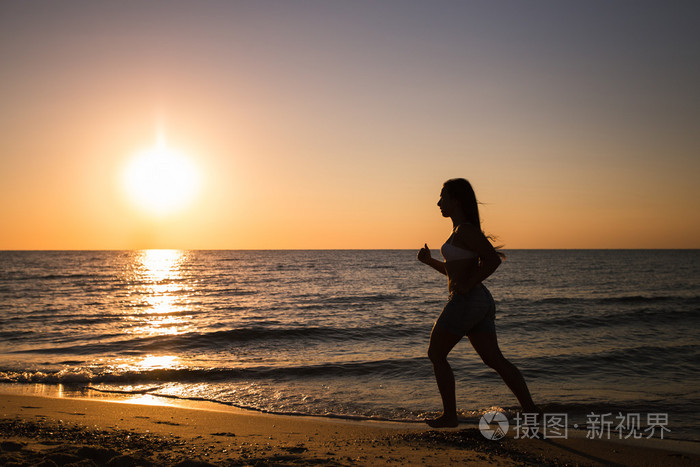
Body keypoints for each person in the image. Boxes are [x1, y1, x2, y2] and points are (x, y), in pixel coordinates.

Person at [417, 178, 539, 428]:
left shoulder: (466, 231)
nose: (438, 202)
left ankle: (450, 416)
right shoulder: (458, 231)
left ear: (457, 200)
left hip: (467, 301)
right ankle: (532, 413)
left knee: (436, 353)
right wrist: (430, 262)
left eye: (443, 196)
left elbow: (492, 259)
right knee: (494, 360)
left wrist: (468, 285)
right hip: (476, 301)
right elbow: (456, 275)